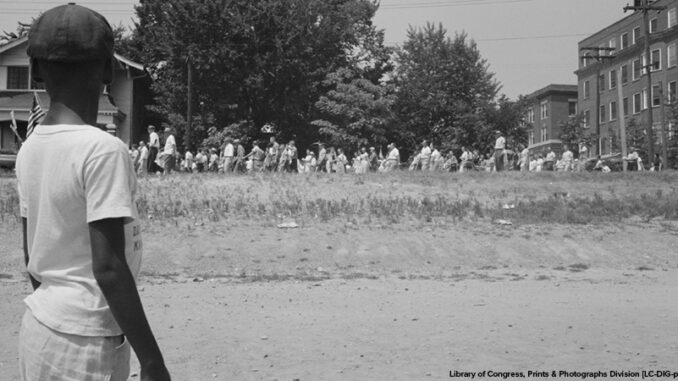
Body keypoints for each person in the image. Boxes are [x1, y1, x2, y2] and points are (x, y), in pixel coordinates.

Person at [16, 4, 171, 381]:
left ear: (35, 71)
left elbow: (30, 251)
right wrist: (151, 361)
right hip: (87, 342)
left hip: (40, 324)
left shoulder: (30, 147)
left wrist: (58, 306)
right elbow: (108, 267)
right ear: (107, 69)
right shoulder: (102, 149)